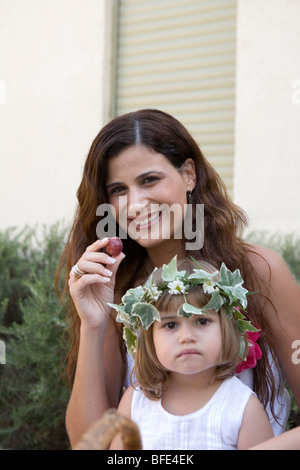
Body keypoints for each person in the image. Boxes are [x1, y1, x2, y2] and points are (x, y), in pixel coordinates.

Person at [56, 108, 300, 448]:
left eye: (149, 180)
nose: (136, 204)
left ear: (188, 174)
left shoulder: (259, 270)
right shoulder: (116, 291)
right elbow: (90, 441)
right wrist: (92, 325)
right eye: (118, 189)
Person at [109, 256, 274, 450]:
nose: (186, 336)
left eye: (202, 321)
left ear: (226, 329)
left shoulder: (242, 407)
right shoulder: (135, 402)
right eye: (170, 325)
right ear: (149, 338)